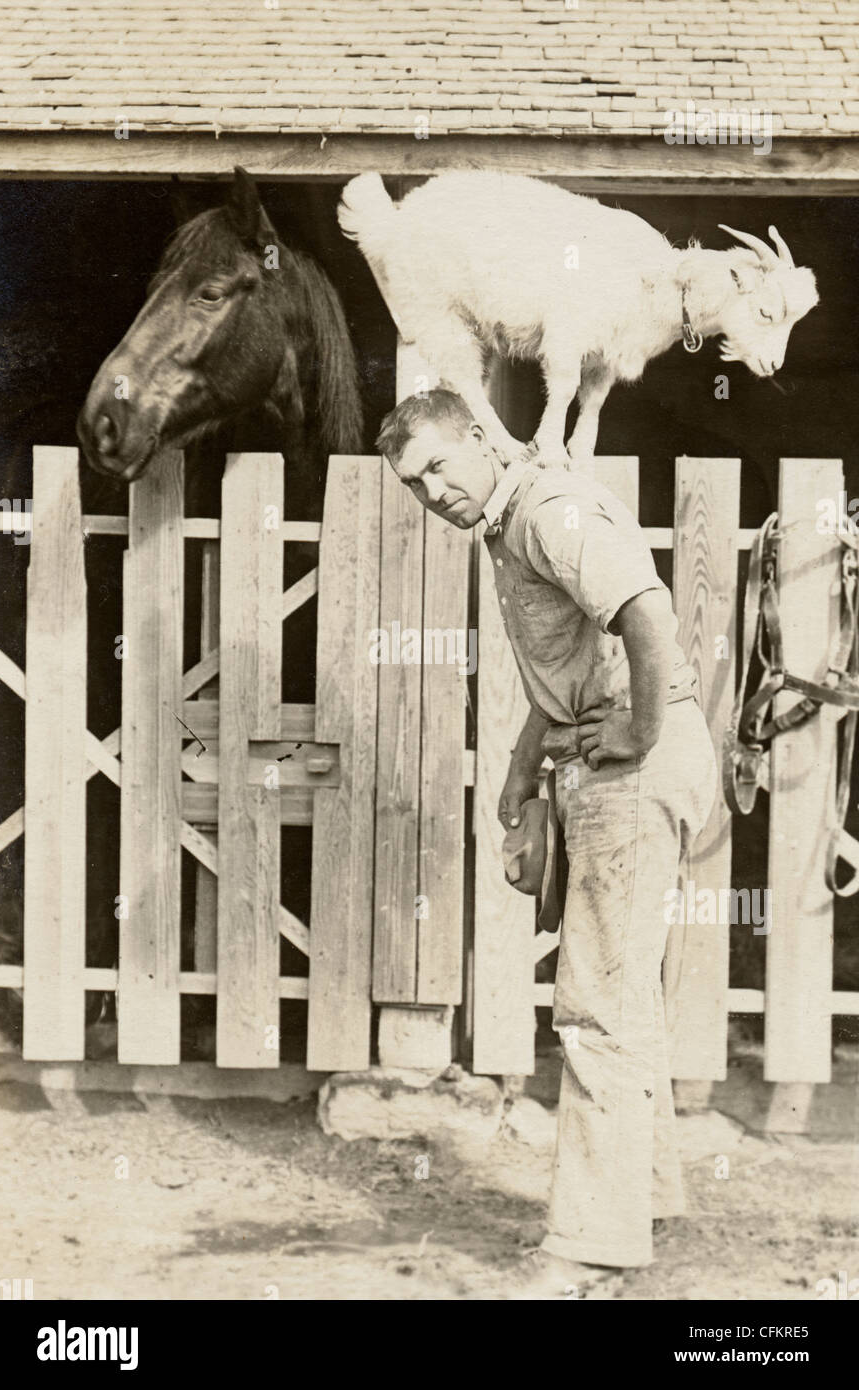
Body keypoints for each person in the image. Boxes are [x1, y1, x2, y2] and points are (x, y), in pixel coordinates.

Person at [375, 388, 718, 1298]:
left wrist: (640, 733)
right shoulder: (509, 520)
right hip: (606, 753)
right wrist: (522, 772)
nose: (432, 491)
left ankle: (592, 1252)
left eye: (441, 465)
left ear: (483, 439)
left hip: (635, 762)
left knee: (596, 1005)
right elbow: (565, 668)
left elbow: (646, 614)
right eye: (414, 484)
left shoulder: (550, 512)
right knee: (625, 989)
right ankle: (645, 1197)